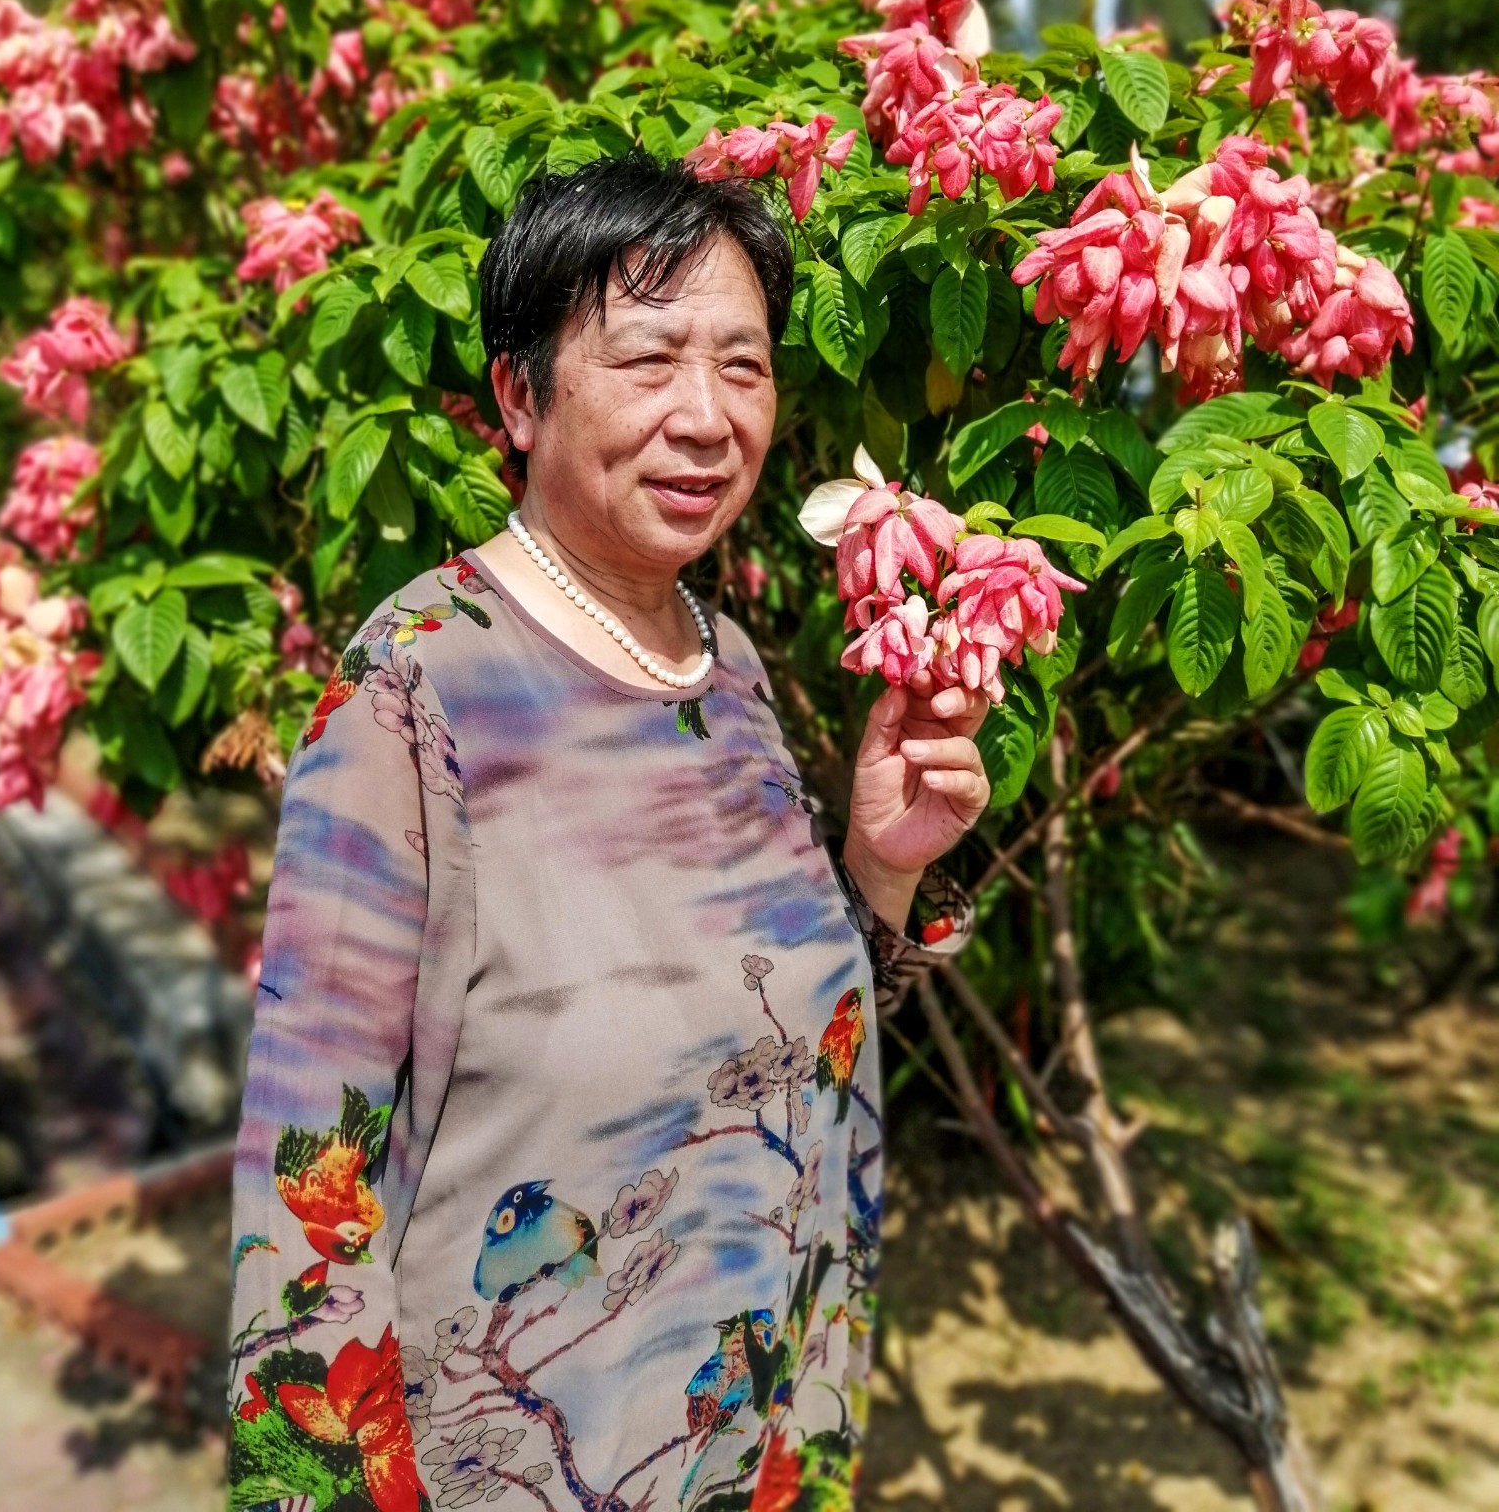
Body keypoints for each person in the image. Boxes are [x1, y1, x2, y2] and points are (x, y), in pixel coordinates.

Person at [226, 155, 989, 1512]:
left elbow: (772, 1053)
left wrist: (880, 869)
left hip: (746, 1445)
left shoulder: (729, 664)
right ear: (521, 398)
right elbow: (308, 1190)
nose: (707, 418)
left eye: (744, 368)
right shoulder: (414, 683)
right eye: (648, 361)